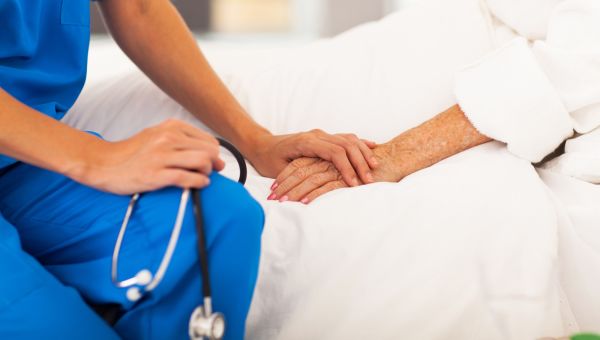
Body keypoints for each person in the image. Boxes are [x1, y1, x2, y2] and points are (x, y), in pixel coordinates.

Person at [0, 0, 376, 339]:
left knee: (217, 216)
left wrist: (256, 141)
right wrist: (96, 159)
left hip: (27, 159)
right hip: (47, 152)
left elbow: (138, 8)